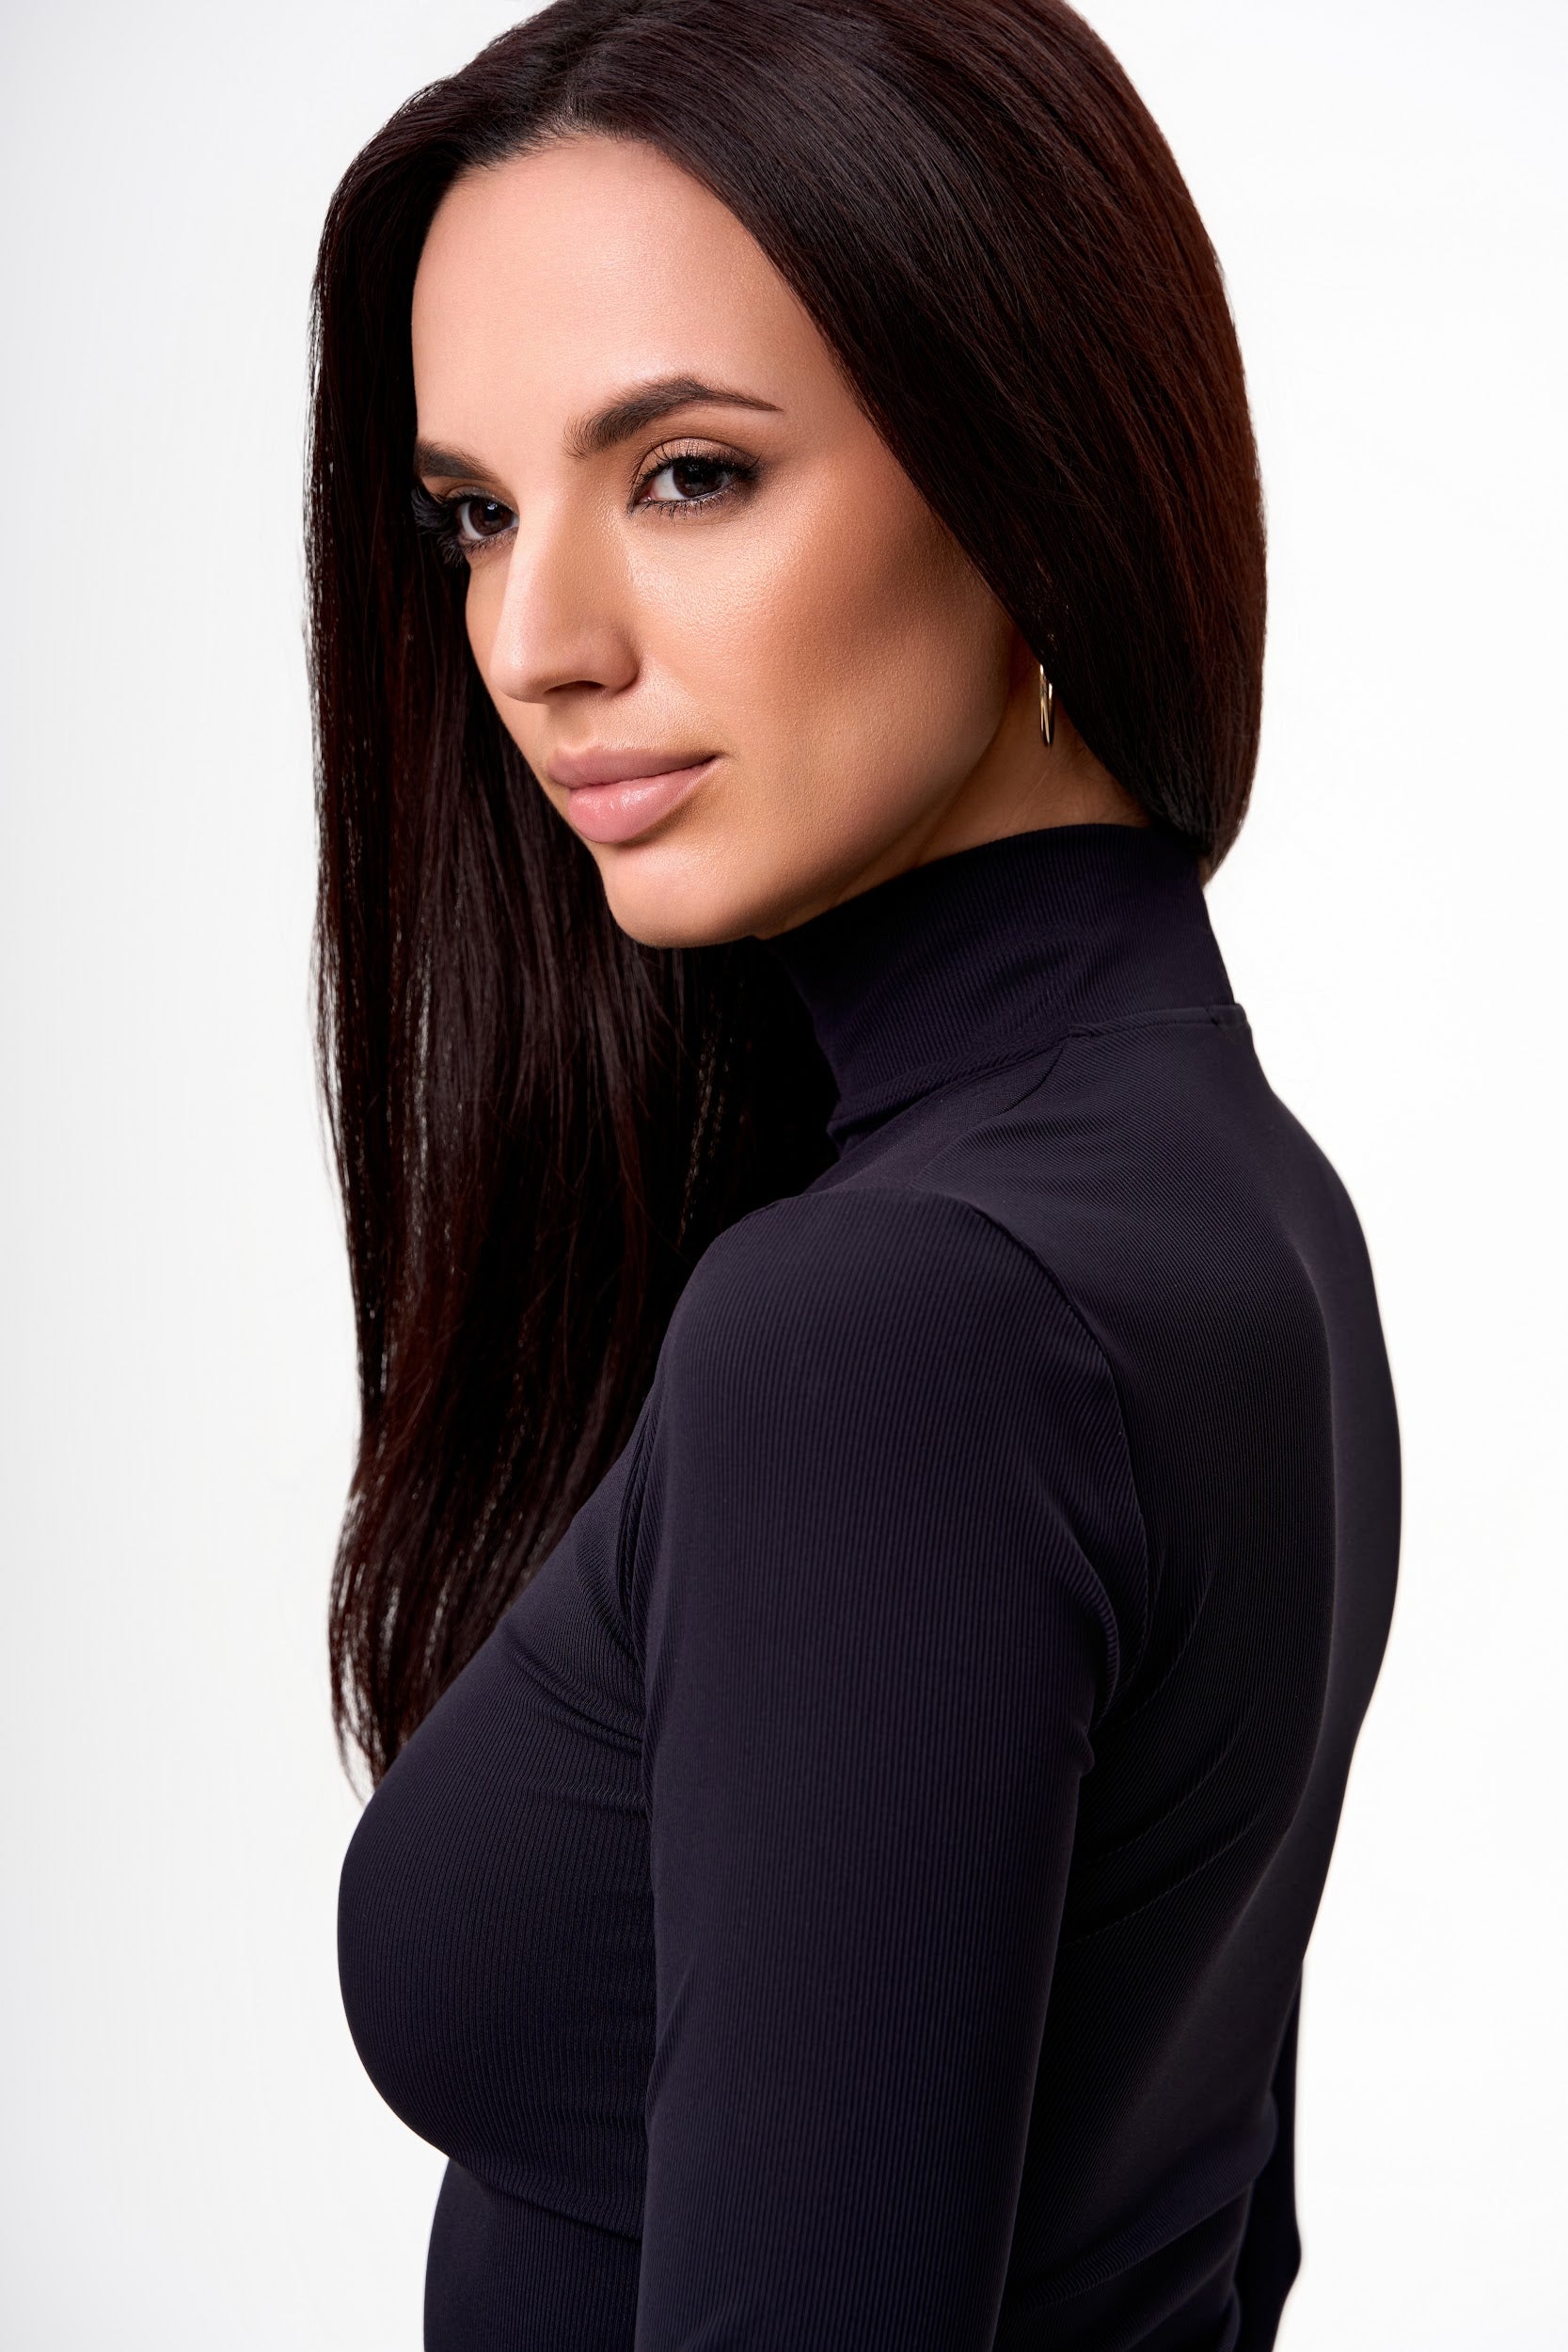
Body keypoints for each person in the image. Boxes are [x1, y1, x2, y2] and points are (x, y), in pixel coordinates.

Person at [316, 4, 1402, 2345]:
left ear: (1031, 474)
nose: (534, 642)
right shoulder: (1236, 1201)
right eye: (474, 514)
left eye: (689, 473)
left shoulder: (897, 1319)